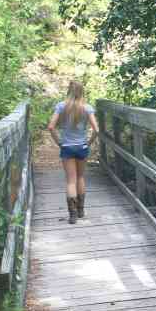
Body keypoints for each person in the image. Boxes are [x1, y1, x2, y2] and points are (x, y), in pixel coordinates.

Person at [47, 81, 100, 224]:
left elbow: (51, 127)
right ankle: (81, 210)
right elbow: (96, 130)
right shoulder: (87, 108)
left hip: (67, 148)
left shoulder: (61, 107)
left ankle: (73, 215)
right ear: (82, 92)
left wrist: (59, 143)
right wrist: (88, 143)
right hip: (82, 147)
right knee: (81, 177)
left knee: (71, 181)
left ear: (69, 91)